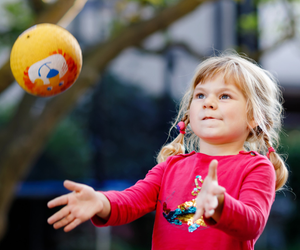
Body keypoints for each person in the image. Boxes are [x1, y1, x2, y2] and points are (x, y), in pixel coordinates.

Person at [47, 52, 289, 250]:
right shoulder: (170, 167)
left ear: (254, 118)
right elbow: (131, 201)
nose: (208, 102)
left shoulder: (257, 168)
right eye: (200, 95)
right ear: (188, 114)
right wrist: (101, 201)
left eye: (225, 96)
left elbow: (252, 223)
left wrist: (221, 205)